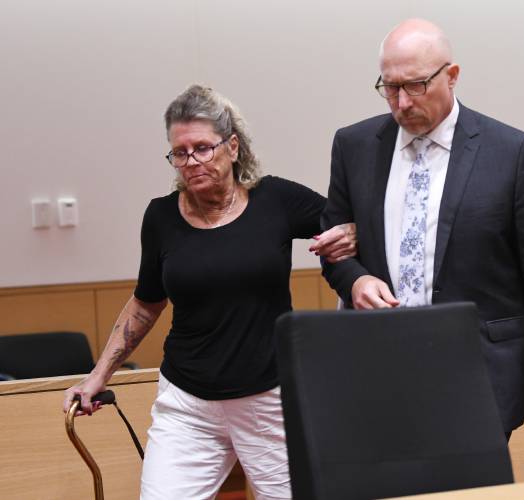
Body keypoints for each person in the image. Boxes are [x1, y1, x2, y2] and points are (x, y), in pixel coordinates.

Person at [63, 84, 356, 499]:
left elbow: (344, 222)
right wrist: (98, 376)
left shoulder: (274, 199)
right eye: (180, 152)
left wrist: (351, 233)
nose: (191, 161)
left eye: (203, 148)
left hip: (269, 400)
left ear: (232, 146)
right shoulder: (161, 216)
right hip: (188, 403)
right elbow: (146, 302)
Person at [318, 18, 524, 446]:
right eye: (390, 87)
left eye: (416, 85)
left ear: (452, 76)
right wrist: (357, 279)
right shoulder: (354, 147)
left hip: (478, 371)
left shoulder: (509, 152)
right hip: (378, 368)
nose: (402, 102)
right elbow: (335, 247)